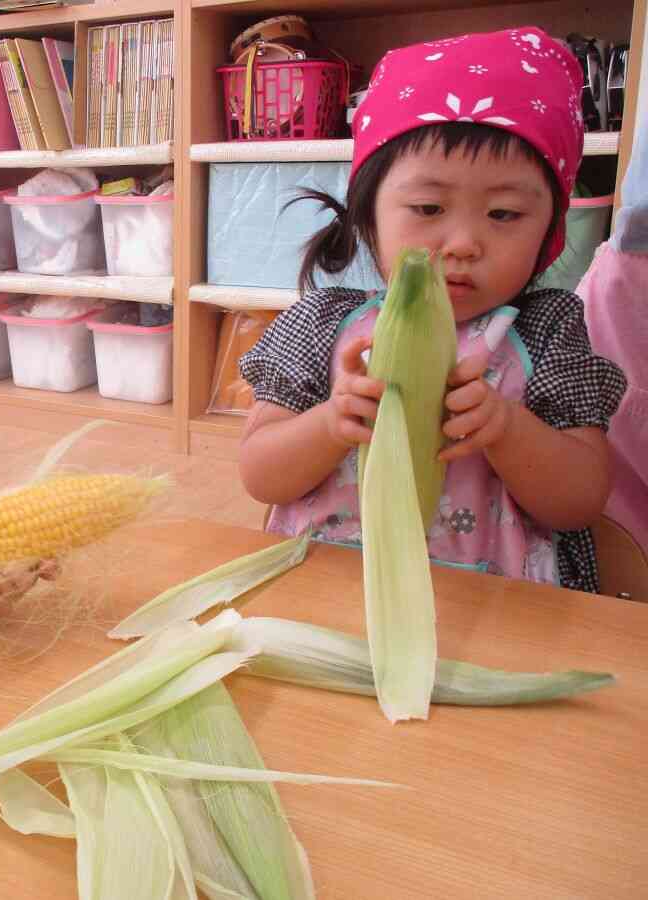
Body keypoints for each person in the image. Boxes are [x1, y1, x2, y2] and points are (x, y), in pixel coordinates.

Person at [238, 27, 628, 593]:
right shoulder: (321, 326)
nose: (464, 242)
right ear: (367, 215)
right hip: (330, 592)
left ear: (551, 230)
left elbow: (581, 503)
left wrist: (508, 429)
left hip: (495, 610)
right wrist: (330, 423)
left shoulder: (548, 333)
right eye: (428, 206)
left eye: (504, 214)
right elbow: (260, 475)